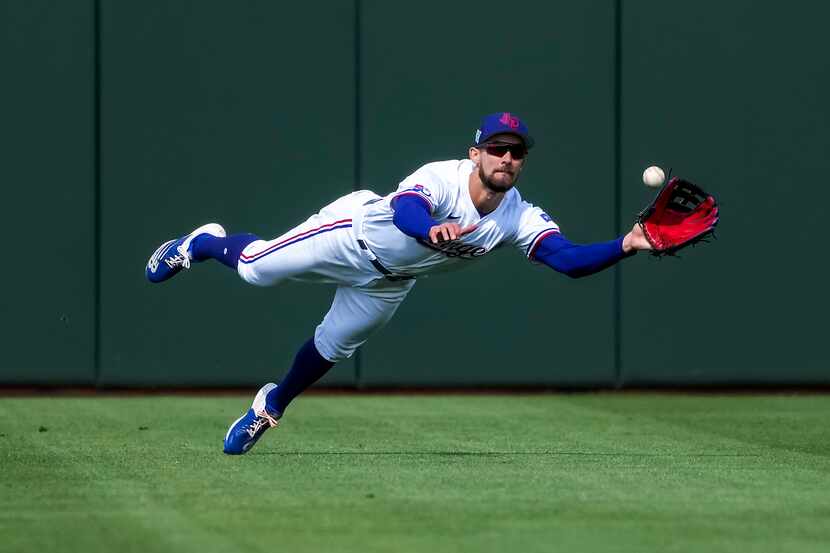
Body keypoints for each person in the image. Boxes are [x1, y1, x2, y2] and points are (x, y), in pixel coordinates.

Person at [145, 112, 653, 455]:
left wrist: (625, 245)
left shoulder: (518, 215)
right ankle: (205, 243)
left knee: (332, 347)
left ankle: (270, 406)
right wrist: (429, 227)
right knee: (256, 270)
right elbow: (408, 208)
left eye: (517, 153)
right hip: (351, 236)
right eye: (497, 148)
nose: (507, 159)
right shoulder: (443, 175)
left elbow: (565, 259)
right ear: (475, 153)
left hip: (390, 281)